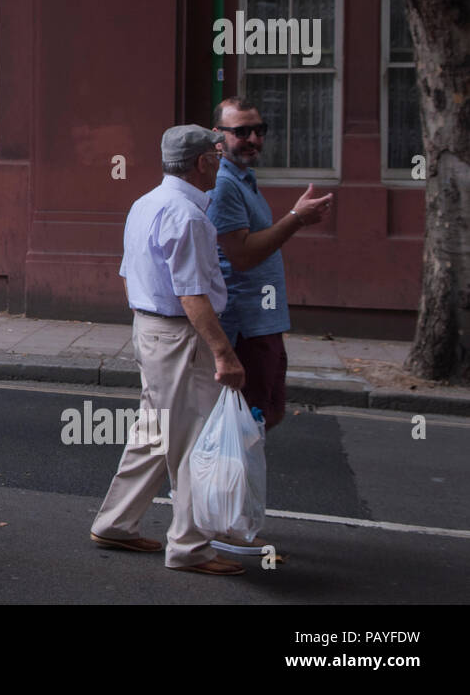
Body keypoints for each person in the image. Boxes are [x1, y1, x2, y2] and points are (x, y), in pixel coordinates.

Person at [90, 124, 247, 575]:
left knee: (157, 432)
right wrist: (224, 354)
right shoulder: (190, 216)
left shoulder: (145, 204)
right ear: (202, 162)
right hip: (181, 337)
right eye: (216, 156)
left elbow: (126, 274)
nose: (220, 164)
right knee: (194, 443)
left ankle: (116, 522)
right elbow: (193, 295)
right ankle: (190, 548)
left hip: (151, 329)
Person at [205, 97, 332, 554]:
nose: (253, 138)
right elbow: (241, 254)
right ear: (218, 137)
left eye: (260, 129)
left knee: (265, 415)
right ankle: (225, 525)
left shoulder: (244, 180)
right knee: (244, 425)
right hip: (243, 324)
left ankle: (224, 511)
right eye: (242, 131)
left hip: (265, 321)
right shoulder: (224, 185)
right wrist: (296, 218)